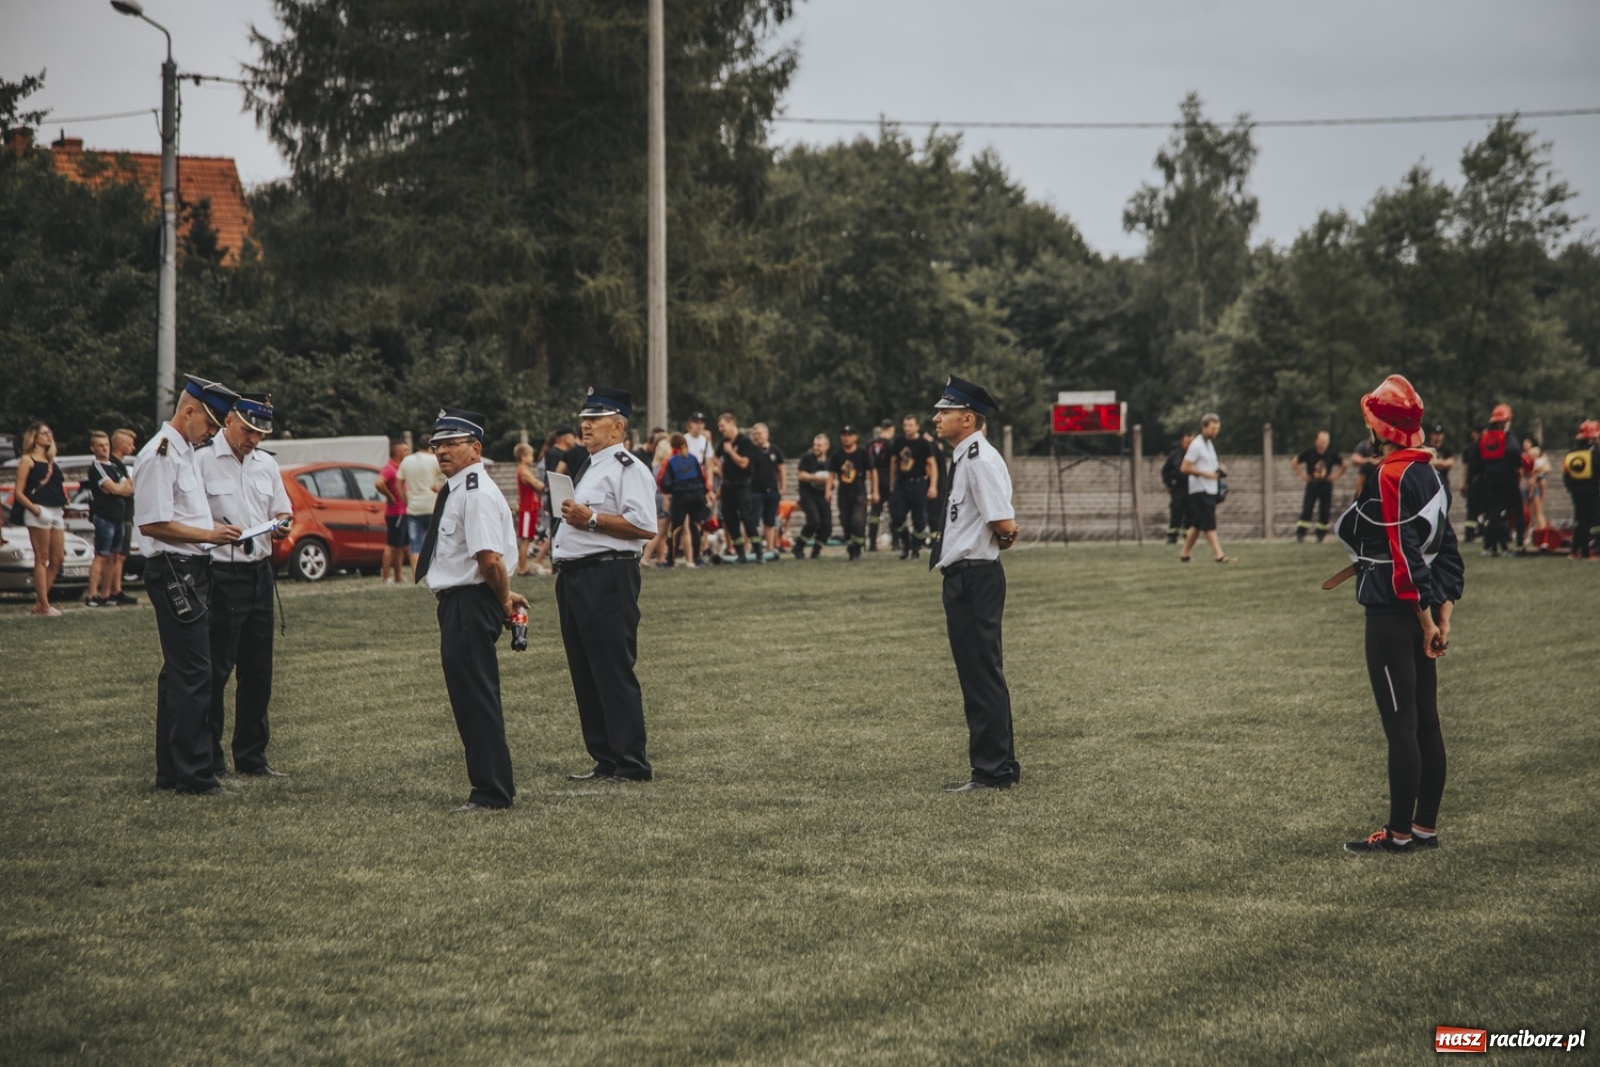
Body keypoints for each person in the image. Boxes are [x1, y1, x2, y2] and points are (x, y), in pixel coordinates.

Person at [1332, 374, 1463, 853]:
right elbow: (1447, 551)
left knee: (1401, 725)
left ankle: (1399, 834)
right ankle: (1424, 827)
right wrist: (1443, 616)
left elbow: (1405, 557)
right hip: (1423, 608)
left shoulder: (1391, 474)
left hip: (1393, 611)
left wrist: (1427, 622)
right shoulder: (1432, 473)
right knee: (1426, 722)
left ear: (1381, 429)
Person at [135, 375, 243, 795]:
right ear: (189, 410)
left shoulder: (184, 454)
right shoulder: (161, 454)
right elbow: (153, 523)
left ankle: (172, 771)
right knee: (194, 673)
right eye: (211, 424)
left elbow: (182, 516)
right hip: (174, 570)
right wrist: (208, 535)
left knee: (180, 673)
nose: (212, 433)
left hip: (190, 567)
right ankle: (195, 775)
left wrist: (212, 529)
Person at [414, 408, 524, 812]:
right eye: (436, 445)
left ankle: (492, 792)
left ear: (475, 448)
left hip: (469, 604)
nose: (441, 451)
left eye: (451, 443)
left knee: (475, 700)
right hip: (465, 601)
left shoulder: (474, 492)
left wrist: (503, 599)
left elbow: (489, 560)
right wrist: (504, 597)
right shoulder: (460, 489)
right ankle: (491, 786)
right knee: (472, 698)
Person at [553, 387, 659, 783]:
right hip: (576, 576)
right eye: (584, 419)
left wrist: (593, 519)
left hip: (607, 575)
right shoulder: (591, 465)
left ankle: (631, 763)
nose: (585, 425)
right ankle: (605, 758)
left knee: (612, 668)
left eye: (595, 419)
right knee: (585, 671)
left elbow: (644, 525)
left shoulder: (627, 467)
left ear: (617, 427)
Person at [928, 376, 1020, 792]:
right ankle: (999, 765)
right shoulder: (966, 457)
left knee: (981, 675)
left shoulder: (979, 458)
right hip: (965, 575)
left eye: (944, 411)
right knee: (979, 674)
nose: (936, 418)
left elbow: (1003, 521)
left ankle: (991, 771)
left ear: (967, 419)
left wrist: (1005, 536)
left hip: (975, 576)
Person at [198, 392, 294, 780]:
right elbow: (192, 517)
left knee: (258, 670)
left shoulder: (265, 464)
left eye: (260, 434)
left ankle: (252, 756)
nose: (254, 440)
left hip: (259, 573)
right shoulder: (202, 460)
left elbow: (282, 509)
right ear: (229, 421)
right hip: (221, 573)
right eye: (248, 431)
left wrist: (283, 524)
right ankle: (210, 757)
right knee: (217, 668)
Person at [14, 422, 69, 616]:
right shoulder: (27, 460)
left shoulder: (51, 461)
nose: (48, 436)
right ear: (34, 437)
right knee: (42, 557)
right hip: (38, 510)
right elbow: (18, 492)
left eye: (49, 432)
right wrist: (36, 510)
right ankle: (44, 605)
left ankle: (40, 602)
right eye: (44, 433)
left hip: (56, 510)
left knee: (57, 558)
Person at [84, 430, 133, 608]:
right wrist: (118, 488)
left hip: (119, 517)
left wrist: (117, 489)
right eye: (100, 446)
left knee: (114, 557)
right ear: (93, 448)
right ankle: (92, 595)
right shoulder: (96, 467)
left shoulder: (114, 466)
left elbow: (129, 488)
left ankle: (106, 595)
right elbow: (112, 488)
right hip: (105, 517)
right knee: (101, 556)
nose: (104, 449)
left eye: (106, 445)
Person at [1466, 405, 1523, 557]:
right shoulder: (1507, 436)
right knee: (1518, 510)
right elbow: (1515, 450)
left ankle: (1494, 547)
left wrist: (1484, 469)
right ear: (1506, 421)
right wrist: (1516, 466)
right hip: (1508, 479)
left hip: (1489, 480)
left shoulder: (1484, 437)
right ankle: (1519, 545)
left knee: (1493, 514)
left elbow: (1473, 455)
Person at [1179, 414, 1234, 564]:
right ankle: (1219, 555)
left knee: (1197, 524)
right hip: (1200, 489)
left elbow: (1209, 464)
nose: (1215, 432)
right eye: (1212, 429)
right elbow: (1184, 467)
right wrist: (1205, 474)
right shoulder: (1196, 445)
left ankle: (1185, 554)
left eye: (1217, 429)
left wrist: (1220, 468)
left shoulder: (1208, 444)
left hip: (1210, 489)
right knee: (1209, 524)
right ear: (1204, 427)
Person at [658, 432, 712, 567]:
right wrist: (704, 492)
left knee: (676, 528)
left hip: (680, 496)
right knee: (695, 526)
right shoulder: (693, 458)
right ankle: (697, 559)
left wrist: (670, 490)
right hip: (697, 495)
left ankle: (670, 560)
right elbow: (703, 477)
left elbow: (661, 479)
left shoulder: (670, 460)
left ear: (671, 445)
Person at [889, 415, 938, 560]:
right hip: (901, 484)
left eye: (910, 425)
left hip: (918, 484)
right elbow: (893, 462)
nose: (907, 428)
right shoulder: (899, 441)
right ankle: (906, 542)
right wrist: (892, 482)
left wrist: (933, 486)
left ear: (917, 427)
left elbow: (932, 465)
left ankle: (916, 547)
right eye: (905, 425)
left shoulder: (923, 443)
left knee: (919, 521)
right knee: (896, 516)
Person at [715, 414, 762, 563]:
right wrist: (718, 467)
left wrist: (731, 452)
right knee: (730, 519)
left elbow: (744, 463)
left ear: (732, 423)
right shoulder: (724, 442)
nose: (720, 429)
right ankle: (740, 553)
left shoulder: (744, 442)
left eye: (722, 425)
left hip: (742, 485)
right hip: (727, 485)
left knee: (747, 518)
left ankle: (758, 552)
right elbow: (714, 457)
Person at [398, 434, 444, 579]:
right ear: (431, 447)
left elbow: (398, 483)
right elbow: (447, 475)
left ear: (418, 446)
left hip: (414, 508)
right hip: (432, 506)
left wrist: (406, 500)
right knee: (437, 543)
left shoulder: (407, 460)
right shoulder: (434, 460)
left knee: (415, 545)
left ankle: (416, 576)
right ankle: (438, 574)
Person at [1292, 431, 1347, 543]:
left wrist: (1335, 476)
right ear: (1316, 441)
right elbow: (1294, 462)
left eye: (1326, 441)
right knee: (1307, 509)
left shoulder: (1331, 454)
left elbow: (1344, 464)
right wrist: (1302, 475)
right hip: (1312, 484)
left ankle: (1320, 535)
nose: (1323, 444)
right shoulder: (1309, 453)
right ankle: (1300, 534)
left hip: (1326, 485)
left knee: (1325, 511)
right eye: (1322, 441)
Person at [107, 428, 141, 606]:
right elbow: (128, 488)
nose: (133, 448)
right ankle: (114, 590)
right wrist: (126, 487)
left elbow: (130, 487)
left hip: (126, 513)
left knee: (121, 556)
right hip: (119, 515)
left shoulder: (120, 465)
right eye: (130, 444)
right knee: (117, 555)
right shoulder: (113, 465)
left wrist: (127, 487)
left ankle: (116, 588)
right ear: (120, 445)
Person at [830, 426, 871, 561]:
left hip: (859, 489)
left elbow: (873, 471)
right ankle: (850, 546)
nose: (846, 438)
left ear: (855, 437)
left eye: (849, 435)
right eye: (844, 435)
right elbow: (831, 473)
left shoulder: (862, 453)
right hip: (844, 491)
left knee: (858, 520)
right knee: (845, 521)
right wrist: (828, 490)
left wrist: (875, 491)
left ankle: (857, 549)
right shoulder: (837, 455)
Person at [374, 438, 410, 585]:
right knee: (391, 545)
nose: (408, 452)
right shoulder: (390, 468)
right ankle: (386, 577)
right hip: (396, 513)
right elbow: (379, 483)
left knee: (400, 546)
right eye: (405, 450)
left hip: (403, 512)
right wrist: (390, 497)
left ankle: (398, 577)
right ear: (397, 452)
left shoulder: (400, 467)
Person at [1562, 420, 1600, 560]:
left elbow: (1566, 475)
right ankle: (1588, 551)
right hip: (1592, 491)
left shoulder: (1571, 454)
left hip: (1576, 492)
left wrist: (1572, 489)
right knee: (1590, 521)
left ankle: (1575, 550)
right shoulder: (1594, 453)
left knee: (1579, 520)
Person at [749, 422, 786, 557]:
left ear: (767, 434)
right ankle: (750, 546)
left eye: (759, 434)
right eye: (754, 434)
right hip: (755, 491)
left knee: (770, 521)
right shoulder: (751, 451)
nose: (757, 437)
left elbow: (781, 470)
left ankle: (770, 547)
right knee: (753, 521)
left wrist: (783, 487)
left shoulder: (775, 450)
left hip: (772, 491)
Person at [794, 434, 832, 559]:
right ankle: (798, 546)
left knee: (827, 526)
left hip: (822, 495)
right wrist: (817, 478)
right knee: (814, 521)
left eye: (819, 445)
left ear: (826, 446)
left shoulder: (829, 462)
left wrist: (830, 486)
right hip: (808, 494)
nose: (816, 448)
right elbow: (801, 475)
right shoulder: (807, 458)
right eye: (814, 445)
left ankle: (816, 550)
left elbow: (833, 480)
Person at [513, 442, 544, 576]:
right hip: (527, 508)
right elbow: (538, 486)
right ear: (523, 457)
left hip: (529, 508)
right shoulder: (524, 471)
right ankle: (522, 569)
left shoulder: (524, 470)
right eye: (530, 455)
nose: (532, 458)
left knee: (527, 538)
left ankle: (523, 568)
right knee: (525, 539)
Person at [1160, 432, 1194, 544]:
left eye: (1190, 443)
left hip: (1192, 488)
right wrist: (1169, 484)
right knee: (1176, 512)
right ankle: (1172, 537)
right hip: (1178, 488)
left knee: (1191, 513)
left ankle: (1188, 537)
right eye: (1186, 442)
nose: (1187, 445)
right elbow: (1165, 471)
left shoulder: (1196, 455)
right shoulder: (1175, 455)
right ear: (1182, 442)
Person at [866, 419, 895, 551]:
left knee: (874, 513)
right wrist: (893, 483)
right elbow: (893, 465)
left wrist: (873, 485)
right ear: (891, 429)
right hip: (888, 480)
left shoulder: (870, 444)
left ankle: (872, 542)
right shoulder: (891, 444)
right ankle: (896, 542)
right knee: (893, 512)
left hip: (874, 482)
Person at [1459, 425, 1485, 543]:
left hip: (1474, 481)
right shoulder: (1484, 446)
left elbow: (1466, 467)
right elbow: (1466, 466)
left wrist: (1464, 482)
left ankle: (1471, 534)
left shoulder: (1470, 448)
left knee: (1473, 509)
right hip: (1480, 480)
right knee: (1479, 508)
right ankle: (1478, 531)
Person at [1522, 436, 1549, 541]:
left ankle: (1542, 534)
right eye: (1524, 444)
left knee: (1537, 511)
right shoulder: (1523, 456)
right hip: (1525, 484)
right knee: (1526, 512)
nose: (1525, 445)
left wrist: (1534, 474)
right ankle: (1527, 534)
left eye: (1527, 443)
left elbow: (1545, 469)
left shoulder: (1538, 456)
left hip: (1534, 485)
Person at [1426, 424, 1455, 516]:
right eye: (1435, 434)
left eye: (1439, 434)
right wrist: (1441, 462)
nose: (1437, 436)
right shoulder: (1426, 449)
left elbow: (1450, 463)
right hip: (1429, 482)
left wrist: (1434, 463)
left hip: (1443, 481)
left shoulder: (1446, 449)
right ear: (1431, 435)